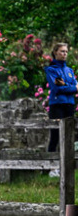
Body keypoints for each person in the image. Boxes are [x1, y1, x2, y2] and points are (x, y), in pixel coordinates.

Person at [45, 42, 76, 173]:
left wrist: (66, 86)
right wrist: (71, 87)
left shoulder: (69, 71)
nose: (65, 54)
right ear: (55, 52)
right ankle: (50, 168)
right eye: (62, 51)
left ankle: (66, 167)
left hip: (69, 105)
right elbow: (57, 88)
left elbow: (73, 87)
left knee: (68, 137)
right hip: (57, 105)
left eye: (66, 51)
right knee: (55, 136)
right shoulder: (51, 69)